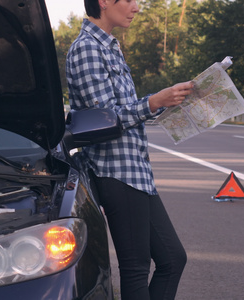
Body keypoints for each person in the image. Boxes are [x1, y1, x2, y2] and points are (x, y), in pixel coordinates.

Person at [65, 0, 194, 299]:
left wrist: (168, 104)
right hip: (114, 171)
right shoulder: (87, 49)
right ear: (104, 2)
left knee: (173, 259)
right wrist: (154, 102)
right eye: (130, 0)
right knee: (135, 269)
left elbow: (122, 111)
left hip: (135, 172)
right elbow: (105, 119)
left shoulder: (110, 47)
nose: (136, 7)